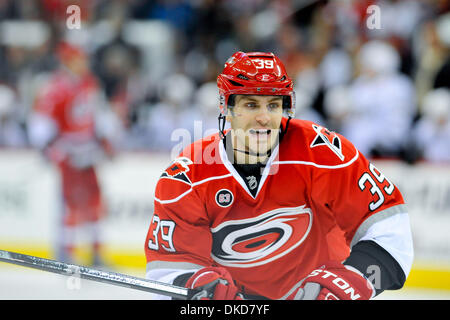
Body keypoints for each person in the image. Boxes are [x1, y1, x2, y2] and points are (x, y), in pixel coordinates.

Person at [144, 51, 413, 300]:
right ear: (227, 107)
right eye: (251, 105)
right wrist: (197, 285)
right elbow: (167, 270)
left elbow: (390, 231)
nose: (264, 118)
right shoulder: (188, 175)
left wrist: (351, 281)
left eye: (273, 105)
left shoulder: (322, 153)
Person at [28, 41, 116, 266]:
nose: (83, 63)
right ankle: (66, 252)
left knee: (94, 203)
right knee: (70, 204)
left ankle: (96, 253)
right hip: (68, 153)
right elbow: (42, 120)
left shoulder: (89, 83)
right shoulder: (55, 87)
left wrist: (105, 141)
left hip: (88, 152)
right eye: (79, 59)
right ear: (68, 61)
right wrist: (45, 146)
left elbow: (98, 115)